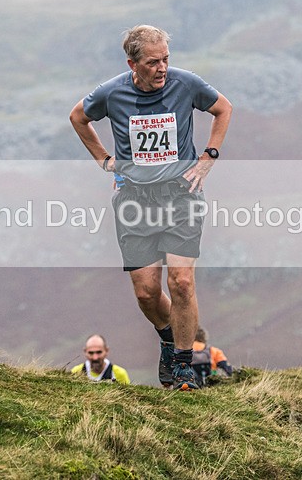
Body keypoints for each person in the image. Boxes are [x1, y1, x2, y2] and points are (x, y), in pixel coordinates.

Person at [69, 25, 232, 391]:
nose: (162, 69)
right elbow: (78, 117)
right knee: (146, 292)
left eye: (166, 60)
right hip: (134, 202)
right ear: (133, 63)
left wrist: (208, 157)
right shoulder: (111, 93)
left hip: (181, 196)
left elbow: (223, 109)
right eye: (153, 62)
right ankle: (167, 337)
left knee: (182, 282)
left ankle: (184, 364)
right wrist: (104, 160)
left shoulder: (185, 84)